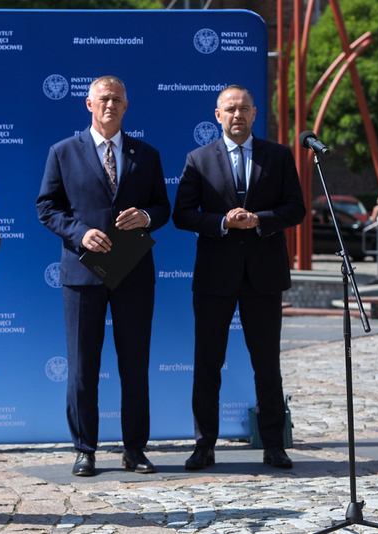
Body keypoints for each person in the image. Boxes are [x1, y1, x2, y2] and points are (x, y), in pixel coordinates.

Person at [36, 76, 170, 477]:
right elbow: (46, 207)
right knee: (82, 367)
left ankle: (135, 449)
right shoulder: (62, 152)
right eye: (102, 99)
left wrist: (146, 217)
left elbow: (163, 207)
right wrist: (80, 233)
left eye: (116, 100)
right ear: (88, 104)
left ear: (126, 106)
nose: (109, 105)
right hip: (82, 273)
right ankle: (85, 449)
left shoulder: (146, 154)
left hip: (132, 272)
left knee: (135, 364)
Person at [172, 85, 306, 469]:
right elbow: (183, 213)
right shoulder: (198, 159)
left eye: (244, 109)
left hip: (263, 276)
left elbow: (295, 208)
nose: (237, 115)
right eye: (230, 109)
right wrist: (222, 223)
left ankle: (273, 445)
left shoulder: (278, 157)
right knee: (207, 363)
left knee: (266, 364)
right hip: (215, 276)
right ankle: (204, 444)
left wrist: (259, 220)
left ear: (254, 113)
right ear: (217, 115)